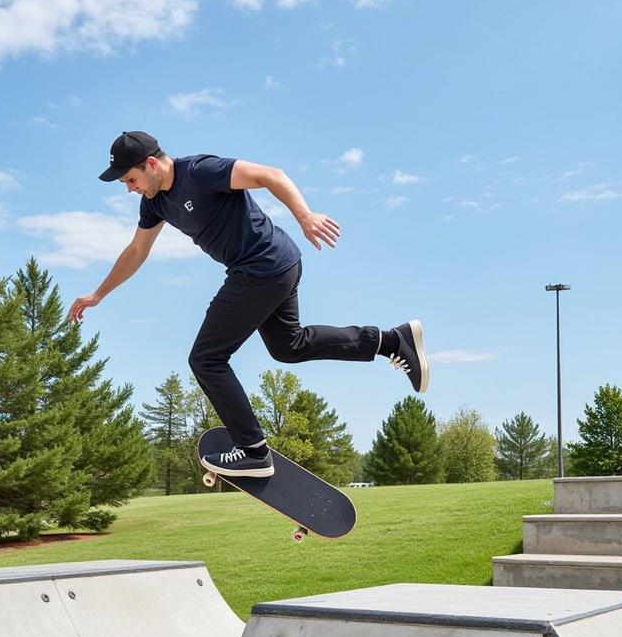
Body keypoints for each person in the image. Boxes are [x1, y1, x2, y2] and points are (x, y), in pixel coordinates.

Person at [68, 130, 430, 478]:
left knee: (206, 359)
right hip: (276, 266)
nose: (130, 189)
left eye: (130, 179)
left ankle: (253, 451)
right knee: (289, 347)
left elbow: (271, 175)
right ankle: (391, 340)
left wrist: (304, 215)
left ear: (151, 164)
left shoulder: (201, 171)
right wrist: (98, 294)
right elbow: (136, 251)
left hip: (262, 268)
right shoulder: (155, 203)